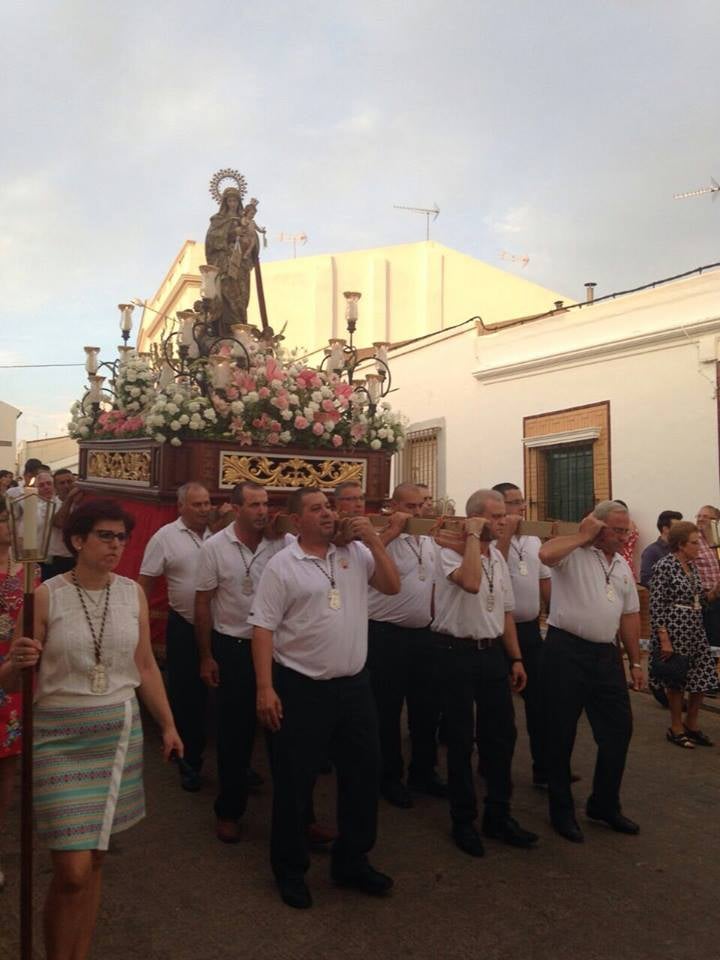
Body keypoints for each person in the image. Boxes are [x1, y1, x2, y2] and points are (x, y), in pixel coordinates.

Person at [3, 498, 181, 960]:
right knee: (72, 870)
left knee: (97, 857)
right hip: (58, 738)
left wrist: (167, 724)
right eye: (106, 535)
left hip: (118, 734)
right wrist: (14, 663)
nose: (117, 545)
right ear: (78, 540)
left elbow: (144, 664)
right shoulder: (46, 594)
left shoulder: (132, 594)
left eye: (122, 537)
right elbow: (10, 674)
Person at [249, 487, 400, 910]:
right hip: (301, 687)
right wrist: (265, 687)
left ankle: (352, 860)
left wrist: (373, 539)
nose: (329, 514)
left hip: (354, 687)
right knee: (295, 783)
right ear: (297, 521)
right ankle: (291, 869)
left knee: (363, 776)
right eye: (316, 510)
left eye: (329, 507)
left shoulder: (354, 553)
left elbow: (390, 586)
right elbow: (262, 628)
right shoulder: (283, 565)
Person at [431, 488, 537, 858]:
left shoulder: (496, 558)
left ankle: (498, 814)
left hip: (491, 653)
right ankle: (463, 820)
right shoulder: (446, 553)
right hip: (455, 652)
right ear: (475, 517)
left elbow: (505, 612)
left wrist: (517, 658)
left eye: (505, 514)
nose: (504, 519)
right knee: (461, 740)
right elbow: (471, 583)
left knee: (501, 736)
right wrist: (473, 537)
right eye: (494, 515)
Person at [539, 500, 644, 844]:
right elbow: (546, 554)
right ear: (598, 526)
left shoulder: (623, 567)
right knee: (560, 731)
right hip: (566, 650)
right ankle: (561, 809)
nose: (622, 536)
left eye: (625, 530)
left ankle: (604, 803)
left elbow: (629, 615)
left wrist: (635, 660)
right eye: (616, 529)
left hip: (606, 656)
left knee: (618, 730)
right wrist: (583, 536)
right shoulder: (575, 553)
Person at [194, 481, 288, 843]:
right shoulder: (214, 548)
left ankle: (300, 816)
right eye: (254, 505)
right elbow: (203, 602)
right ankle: (229, 811)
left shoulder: (283, 542)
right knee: (235, 735)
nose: (262, 511)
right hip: (233, 647)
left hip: (279, 649)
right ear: (235, 509)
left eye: (266, 504)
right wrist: (206, 656)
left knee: (288, 737)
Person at [367, 482, 444, 808]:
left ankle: (423, 772)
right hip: (386, 635)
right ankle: (389, 776)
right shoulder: (378, 534)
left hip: (423, 634)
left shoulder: (428, 538)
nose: (417, 512)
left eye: (421, 505)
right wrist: (392, 532)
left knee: (426, 708)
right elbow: (365, 565)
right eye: (410, 506)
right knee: (386, 710)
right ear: (392, 506)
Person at [139, 483, 212, 791]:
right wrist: (138, 627)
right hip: (183, 625)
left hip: (220, 627)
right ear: (180, 507)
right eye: (197, 504)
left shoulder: (222, 535)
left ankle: (240, 765)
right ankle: (188, 762)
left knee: (226, 699)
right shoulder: (165, 538)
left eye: (207, 503)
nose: (204, 509)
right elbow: (145, 583)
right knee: (186, 696)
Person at [492, 482, 553, 787]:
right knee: (498, 710)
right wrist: (505, 534)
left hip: (529, 630)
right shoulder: (489, 537)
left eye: (522, 502)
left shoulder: (531, 539)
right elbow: (494, 567)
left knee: (541, 704)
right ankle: (493, 768)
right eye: (514, 503)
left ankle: (544, 769)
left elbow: (544, 580)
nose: (521, 509)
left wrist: (552, 612)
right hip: (498, 632)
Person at [649, 521, 719, 748]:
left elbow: (700, 599)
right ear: (680, 544)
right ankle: (676, 726)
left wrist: (716, 591)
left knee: (702, 677)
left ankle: (692, 724)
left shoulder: (693, 567)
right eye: (694, 543)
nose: (699, 546)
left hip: (695, 628)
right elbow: (656, 603)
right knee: (676, 679)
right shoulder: (664, 566)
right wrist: (664, 638)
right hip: (675, 628)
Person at [0, 498, 39, 889]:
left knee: (7, 760)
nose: (8, 527)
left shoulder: (28, 569)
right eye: (1, 520)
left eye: (10, 520)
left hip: (12, 670)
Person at [44, 469, 82, 579]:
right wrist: (69, 498)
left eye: (69, 481)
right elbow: (59, 523)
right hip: (58, 560)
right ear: (55, 487)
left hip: (78, 558)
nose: (66, 486)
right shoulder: (50, 505)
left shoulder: (82, 503)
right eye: (62, 483)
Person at [693, 505, 720, 647]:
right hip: (705, 599)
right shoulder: (693, 540)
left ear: (716, 520)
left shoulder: (717, 540)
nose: (700, 519)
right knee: (711, 642)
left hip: (718, 598)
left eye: (705, 516)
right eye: (699, 516)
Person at [640, 510, 683, 588]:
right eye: (677, 528)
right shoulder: (651, 551)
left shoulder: (681, 549)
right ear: (665, 529)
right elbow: (646, 580)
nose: (681, 531)